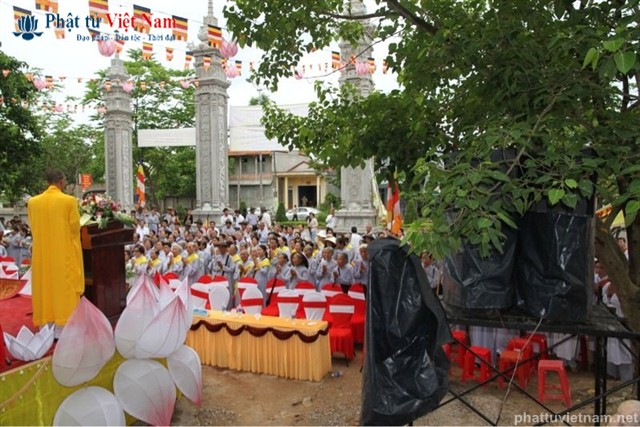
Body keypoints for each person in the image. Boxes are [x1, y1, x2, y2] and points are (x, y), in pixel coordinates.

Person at [27, 169, 84, 338]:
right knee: (63, 287)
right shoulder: (69, 201)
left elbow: (33, 227)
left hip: (42, 254)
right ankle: (63, 329)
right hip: (62, 253)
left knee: (44, 286)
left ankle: (46, 327)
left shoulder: (33, 202)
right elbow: (75, 229)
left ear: (47, 182)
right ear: (61, 182)